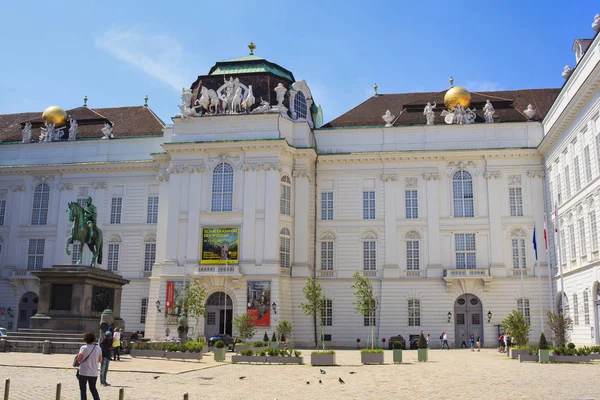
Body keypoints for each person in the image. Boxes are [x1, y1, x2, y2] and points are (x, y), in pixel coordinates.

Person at [77, 331, 102, 400]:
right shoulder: (98, 348)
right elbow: (100, 360)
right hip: (93, 372)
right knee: (93, 389)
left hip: (83, 371)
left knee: (83, 390)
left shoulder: (83, 348)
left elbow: (78, 359)